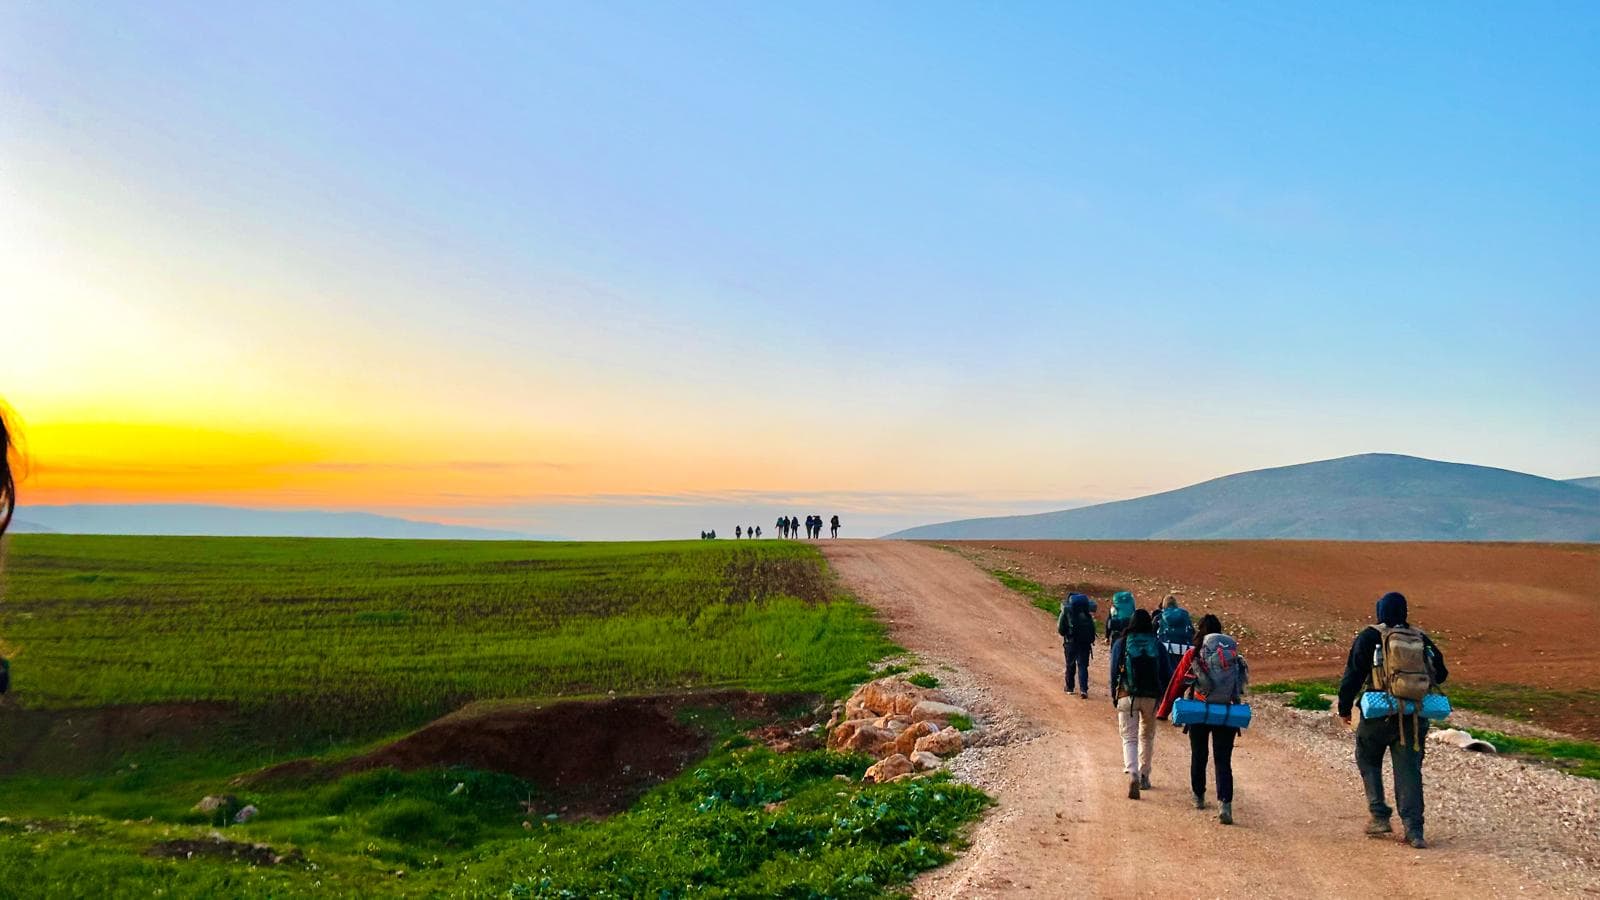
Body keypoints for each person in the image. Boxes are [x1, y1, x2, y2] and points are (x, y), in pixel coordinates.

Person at [1336, 591, 1448, 850]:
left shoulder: (1370, 636)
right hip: (1413, 715)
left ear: (1380, 610)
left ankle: (1379, 815)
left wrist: (1344, 707)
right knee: (1409, 770)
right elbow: (1441, 674)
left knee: (1367, 757)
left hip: (1378, 713)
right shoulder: (1420, 638)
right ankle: (1414, 830)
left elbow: (1353, 674)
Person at [1157, 613, 1245, 825]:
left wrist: (1164, 711)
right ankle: (1225, 803)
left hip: (1199, 710)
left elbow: (1178, 683)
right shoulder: (1231, 655)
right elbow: (1240, 686)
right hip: (1225, 712)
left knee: (1199, 754)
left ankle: (1199, 796)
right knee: (1223, 760)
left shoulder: (1194, 653)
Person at [1111, 610, 1174, 798]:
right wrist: (1161, 695)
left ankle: (1133, 775)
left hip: (1126, 694)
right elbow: (1167, 673)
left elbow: (1113, 671)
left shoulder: (1121, 643)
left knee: (1129, 738)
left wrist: (1114, 695)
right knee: (1147, 736)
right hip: (1151, 697)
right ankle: (1145, 774)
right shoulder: (1157, 645)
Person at [1057, 592, 1098, 698]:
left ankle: (1070, 688)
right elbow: (1093, 628)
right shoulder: (1087, 611)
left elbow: (1061, 630)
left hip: (1070, 642)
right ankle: (1084, 690)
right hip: (1085, 643)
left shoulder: (1067, 611)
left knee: (1070, 664)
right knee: (1083, 666)